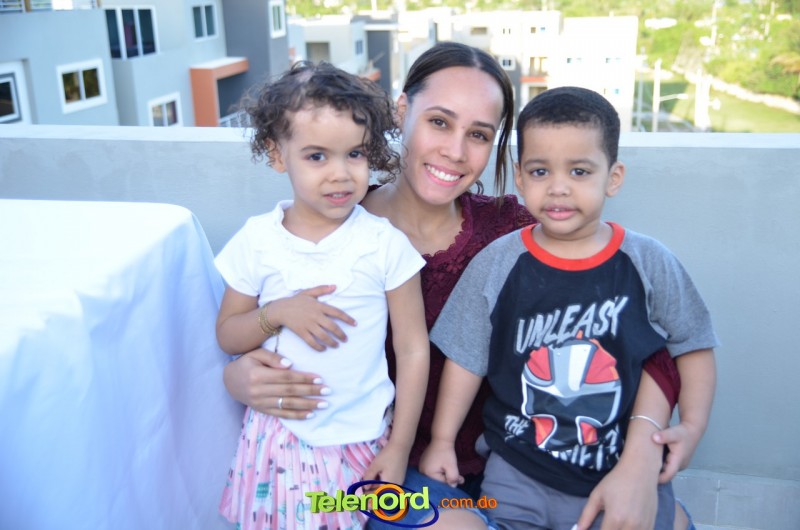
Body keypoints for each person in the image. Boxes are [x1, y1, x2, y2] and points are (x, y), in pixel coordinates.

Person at [221, 43, 686, 528]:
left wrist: (640, 455)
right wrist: (237, 377)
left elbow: (647, 339)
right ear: (402, 111)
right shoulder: (329, 227)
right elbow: (254, 328)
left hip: (514, 465)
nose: (456, 151)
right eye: (439, 122)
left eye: (478, 134)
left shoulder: (516, 234)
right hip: (382, 466)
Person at [421, 86, 718, 529]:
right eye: (540, 171)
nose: (558, 187)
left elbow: (692, 344)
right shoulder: (498, 263)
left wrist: (692, 426)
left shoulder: (647, 261)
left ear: (613, 177)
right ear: (520, 178)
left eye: (579, 171)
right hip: (517, 470)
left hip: (618, 469)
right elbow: (466, 359)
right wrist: (443, 441)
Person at [214, 61, 429, 530]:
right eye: (316, 157)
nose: (340, 174)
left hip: (361, 437)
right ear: (277, 155)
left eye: (354, 154)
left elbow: (413, 349)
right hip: (278, 436)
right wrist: (277, 313)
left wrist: (400, 446)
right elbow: (228, 335)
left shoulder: (385, 244)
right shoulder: (257, 240)